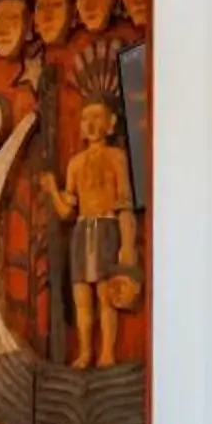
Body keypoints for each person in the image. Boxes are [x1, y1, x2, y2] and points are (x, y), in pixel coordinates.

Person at [46, 99, 141, 367]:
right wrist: (53, 190)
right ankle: (86, 350)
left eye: (97, 117)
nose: (91, 124)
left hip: (107, 229)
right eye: (85, 118)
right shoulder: (75, 164)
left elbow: (124, 202)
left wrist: (127, 244)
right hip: (81, 231)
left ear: (110, 124)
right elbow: (66, 211)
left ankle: (107, 353)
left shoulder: (116, 157)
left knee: (105, 294)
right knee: (81, 297)